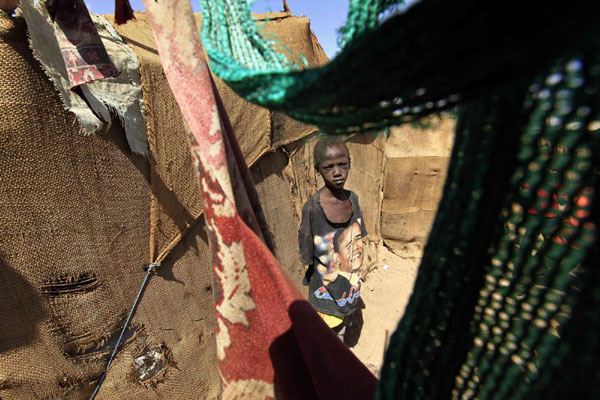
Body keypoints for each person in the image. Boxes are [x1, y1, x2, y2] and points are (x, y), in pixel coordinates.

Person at [298, 135, 367, 341]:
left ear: (349, 164)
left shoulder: (352, 199)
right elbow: (306, 251)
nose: (337, 173)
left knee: (346, 319)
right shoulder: (313, 208)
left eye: (342, 165)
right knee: (328, 335)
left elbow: (359, 234)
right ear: (318, 169)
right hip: (325, 286)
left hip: (350, 280)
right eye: (328, 167)